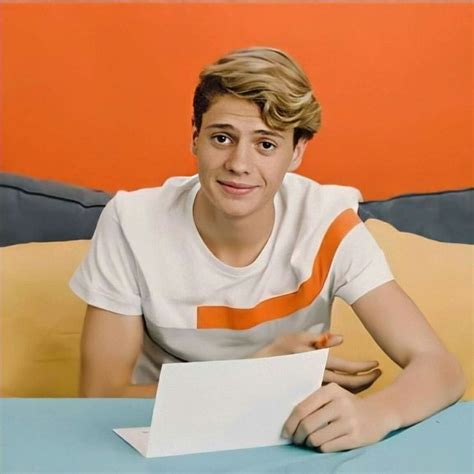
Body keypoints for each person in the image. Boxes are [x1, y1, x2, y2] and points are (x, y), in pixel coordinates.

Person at [69, 46, 465, 452]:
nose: (239, 163)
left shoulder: (326, 222)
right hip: (160, 436)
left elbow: (441, 368)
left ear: (297, 152)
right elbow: (100, 393)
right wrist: (253, 372)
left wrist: (376, 415)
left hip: (286, 439)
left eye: (266, 145)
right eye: (222, 138)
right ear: (194, 138)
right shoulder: (132, 223)